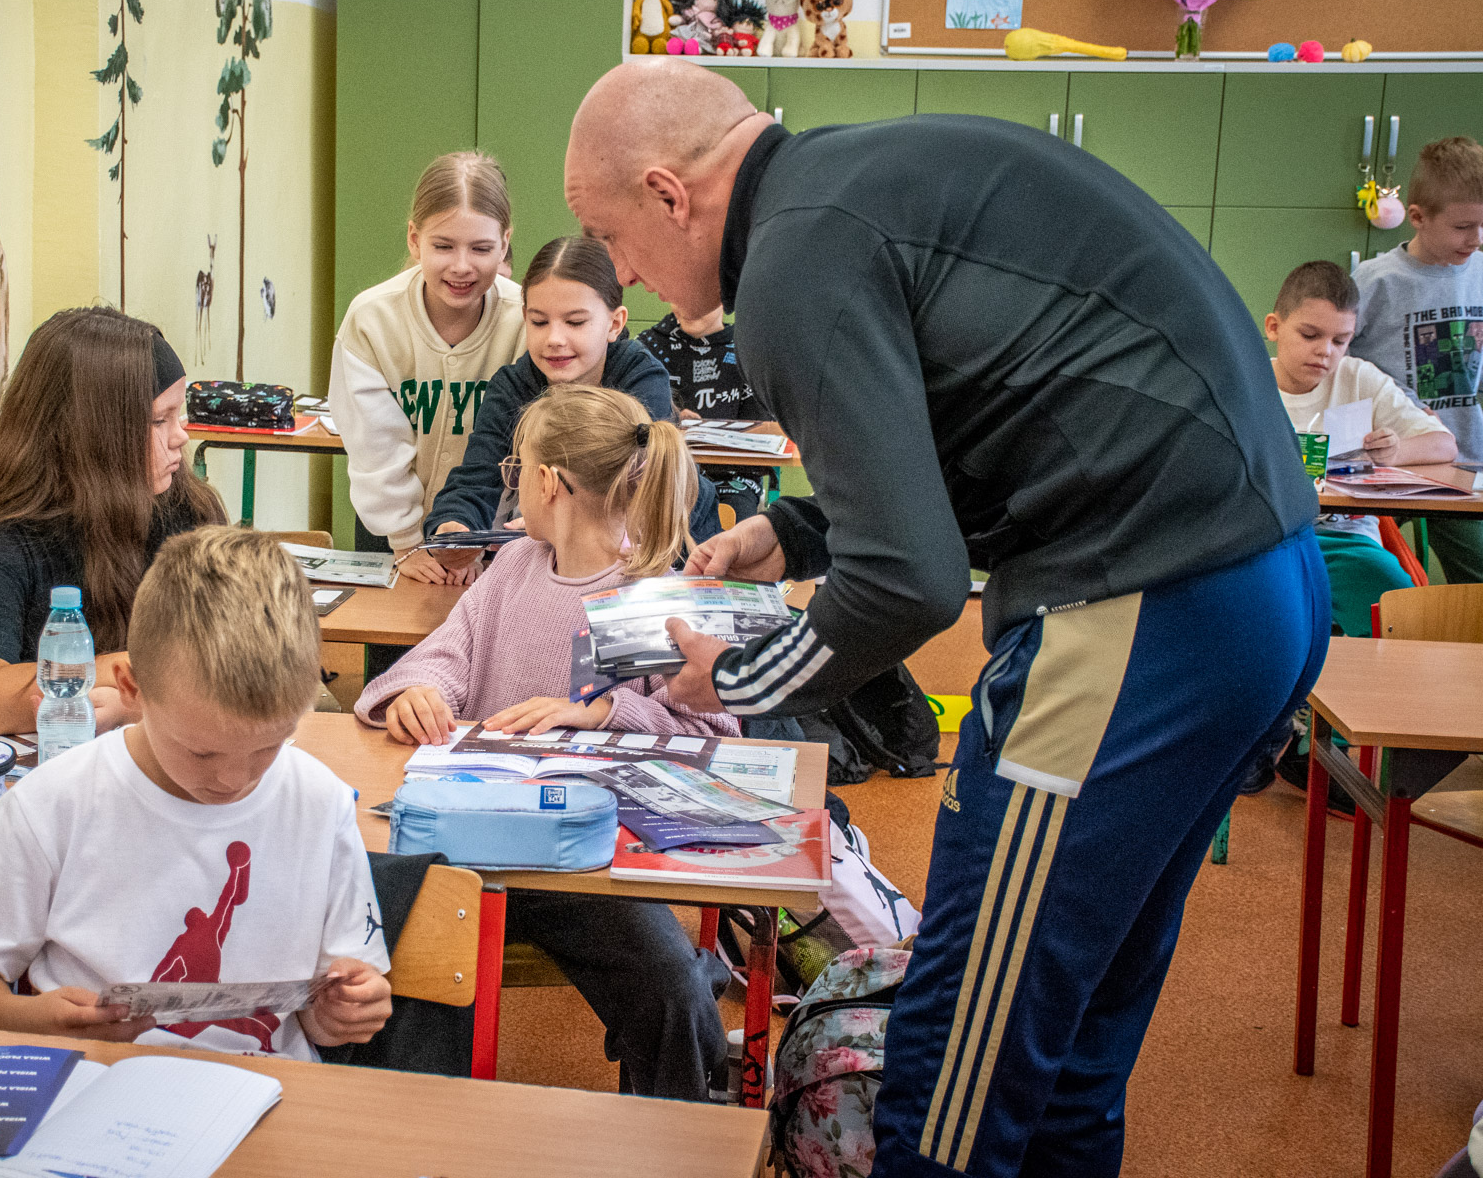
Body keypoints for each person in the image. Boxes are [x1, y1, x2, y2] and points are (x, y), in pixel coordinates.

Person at [564, 57, 1327, 1176]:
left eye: (610, 236)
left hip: (1136, 606)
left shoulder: (788, 266)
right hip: (1258, 584)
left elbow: (910, 583)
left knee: (961, 1057)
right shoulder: (852, 181)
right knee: (1068, 1040)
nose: (622, 274)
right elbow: (983, 427)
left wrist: (729, 677)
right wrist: (799, 531)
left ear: (669, 194)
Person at [356, 383, 735, 1100]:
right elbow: (448, 654)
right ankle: (413, 1118)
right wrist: (416, 692)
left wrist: (607, 711)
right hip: (474, 849)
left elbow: (712, 735)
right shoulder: (515, 567)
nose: (513, 484)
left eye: (516, 469)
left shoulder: (648, 591)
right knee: (383, 948)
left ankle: (684, 1120)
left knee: (670, 992)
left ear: (548, 482)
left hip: (586, 865)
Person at [0, 527, 393, 1060]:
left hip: (267, 1085)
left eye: (268, 746)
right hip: (97, 1078)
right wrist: (42, 1021)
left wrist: (342, 1015)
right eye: (202, 753)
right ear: (131, 688)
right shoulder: (51, 805)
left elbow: (322, 1016)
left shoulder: (320, 803)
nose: (233, 779)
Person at [0, 308, 226, 736]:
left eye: (177, 414)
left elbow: (229, 659)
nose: (180, 436)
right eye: (158, 420)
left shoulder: (189, 511)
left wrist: (133, 705)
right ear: (94, 433)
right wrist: (124, 673)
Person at [424, 236, 719, 573]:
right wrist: (453, 526)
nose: (554, 339)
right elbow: (476, 477)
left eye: (575, 322)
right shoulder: (511, 386)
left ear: (615, 324)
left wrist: (556, 518)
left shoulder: (641, 376)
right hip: (573, 566)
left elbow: (640, 482)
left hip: (675, 557)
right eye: (539, 322)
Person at [329, 150, 525, 588]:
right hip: (394, 537)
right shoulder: (371, 320)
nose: (462, 266)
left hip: (495, 537)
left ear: (505, 243)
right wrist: (406, 543)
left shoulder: (528, 318)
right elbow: (375, 448)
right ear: (414, 240)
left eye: (481, 248)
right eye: (443, 246)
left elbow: (533, 445)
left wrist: (469, 541)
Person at [1268, 260, 1455, 635]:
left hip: (1344, 540)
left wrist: (1395, 453)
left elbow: (1444, 445)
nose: (1325, 351)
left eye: (1340, 341)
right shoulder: (1248, 380)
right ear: (1274, 327)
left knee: (1400, 609)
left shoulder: (1358, 377)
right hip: (1266, 538)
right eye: (1310, 335)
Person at [1350, 136, 1483, 584]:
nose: (1476, 239)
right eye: (1463, 226)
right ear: (1418, 217)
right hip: (1380, 464)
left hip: (1462, 464)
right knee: (1369, 575)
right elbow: (1329, 362)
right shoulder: (1374, 281)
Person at [637, 303, 775, 522]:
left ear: (723, 298)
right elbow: (633, 422)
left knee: (733, 525)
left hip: (734, 479)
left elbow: (760, 433)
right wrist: (672, 419)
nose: (690, 306)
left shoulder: (746, 349)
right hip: (666, 472)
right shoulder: (647, 347)